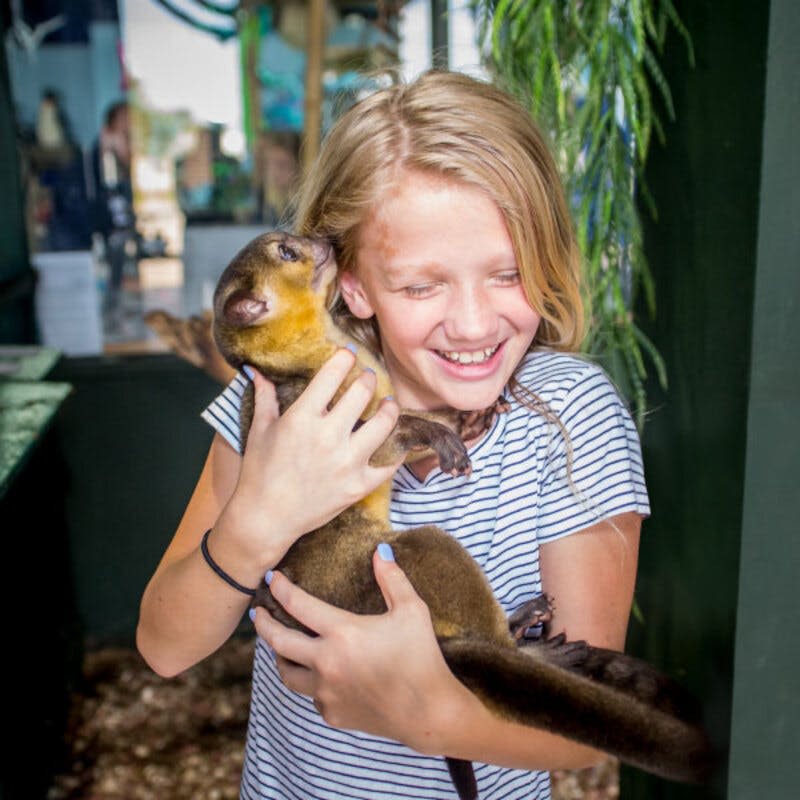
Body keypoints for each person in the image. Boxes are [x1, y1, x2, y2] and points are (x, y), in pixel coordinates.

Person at [137, 70, 649, 800]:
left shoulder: (572, 424)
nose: (474, 324)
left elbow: (586, 726)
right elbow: (162, 646)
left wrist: (428, 716)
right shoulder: (276, 407)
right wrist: (259, 518)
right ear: (351, 285)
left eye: (508, 274)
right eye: (421, 286)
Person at [90, 100, 136, 310]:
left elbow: (128, 164)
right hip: (108, 201)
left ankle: (114, 287)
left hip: (119, 199)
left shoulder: (123, 139)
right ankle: (109, 290)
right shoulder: (106, 137)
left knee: (120, 243)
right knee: (112, 244)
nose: (128, 121)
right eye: (124, 116)